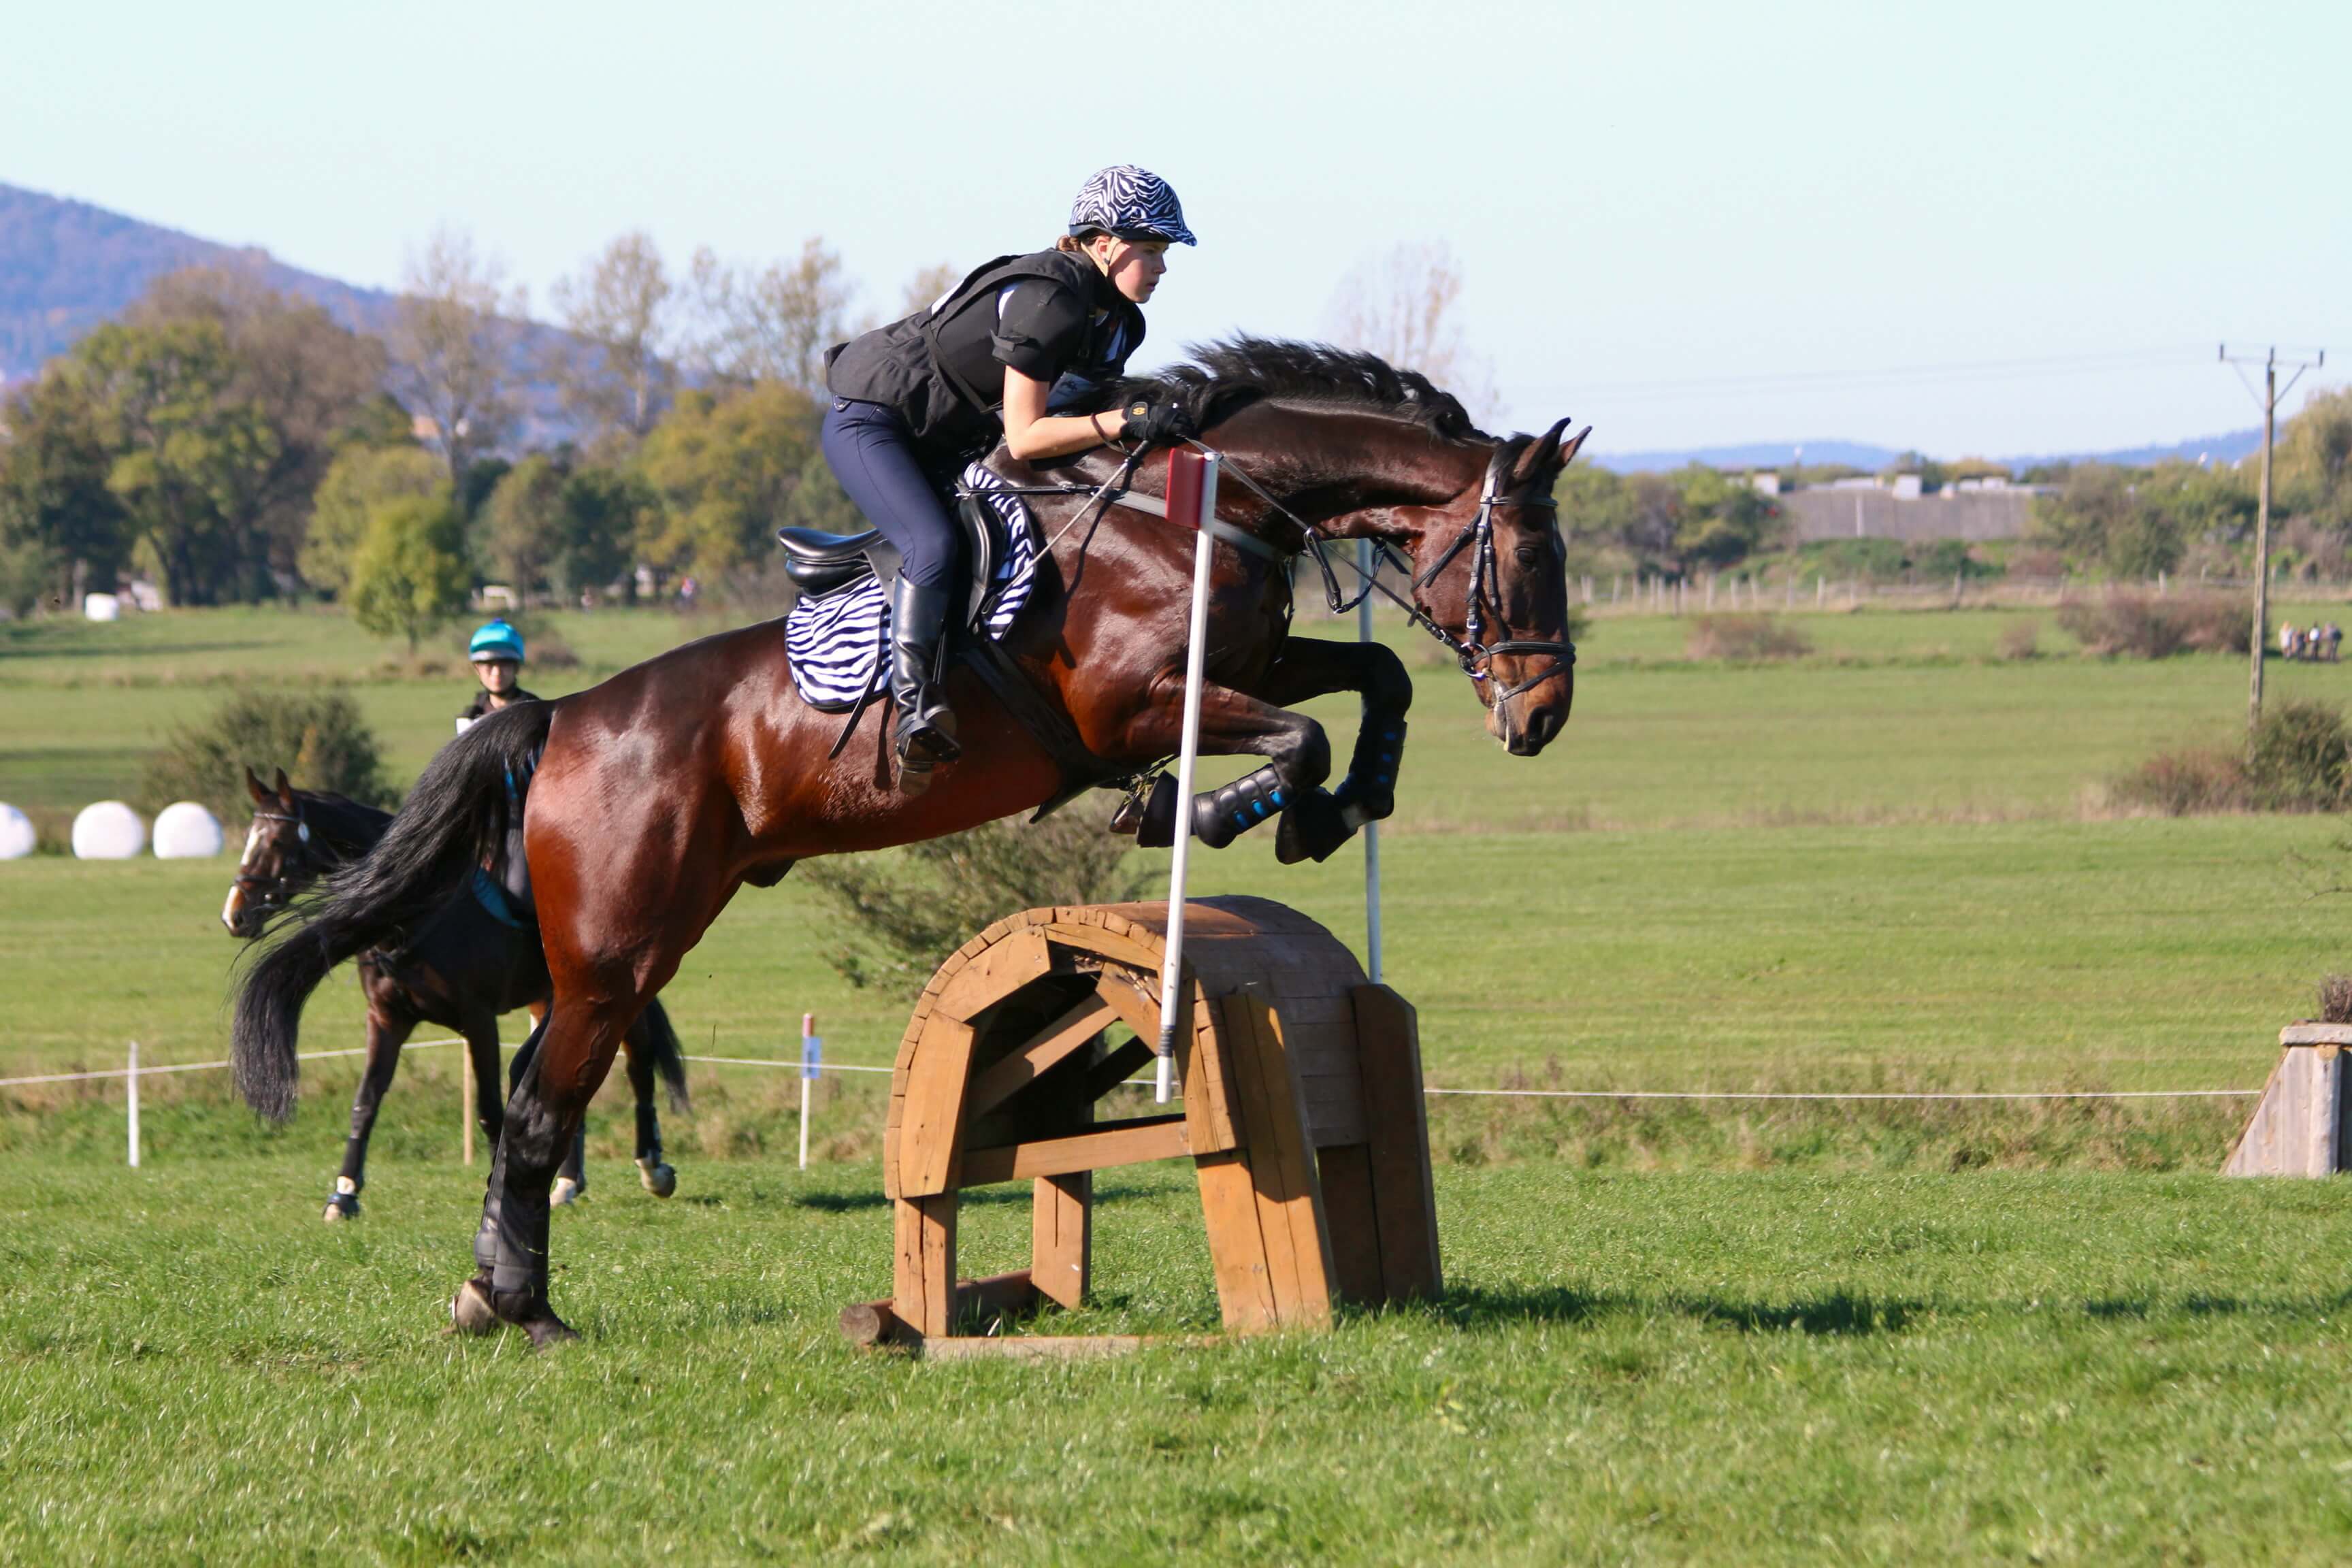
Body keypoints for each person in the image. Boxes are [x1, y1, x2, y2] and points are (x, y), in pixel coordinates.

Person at [821, 164, 1200, 793]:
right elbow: (1027, 436)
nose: (1161, 267)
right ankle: (915, 713)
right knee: (933, 544)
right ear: (1103, 244)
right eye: (1152, 249)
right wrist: (1123, 421)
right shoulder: (1049, 299)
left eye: (1164, 252)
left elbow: (1063, 431)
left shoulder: (1120, 325)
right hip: (877, 424)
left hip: (954, 440)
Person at [457, 619, 540, 736]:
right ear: (477, 668)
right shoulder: (468, 721)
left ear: (516, 667)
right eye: (488, 664)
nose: (497, 672)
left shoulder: (538, 715)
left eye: (504, 664)